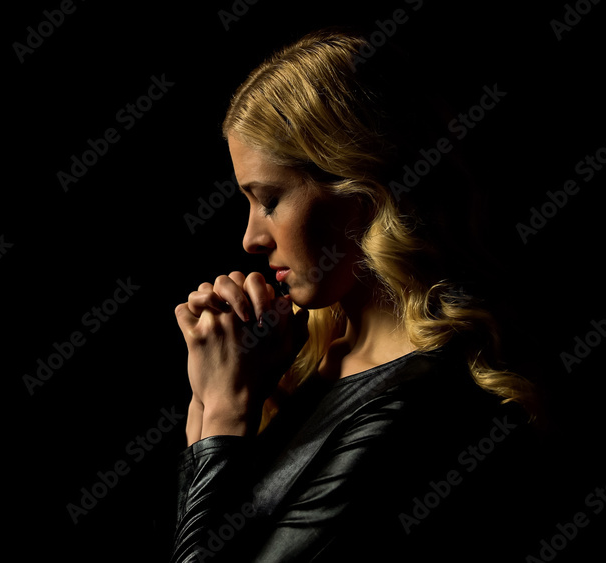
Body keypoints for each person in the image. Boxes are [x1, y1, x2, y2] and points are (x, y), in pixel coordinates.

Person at [171, 28, 541, 562]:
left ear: (360, 188)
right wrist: (210, 400)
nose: (251, 238)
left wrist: (222, 411)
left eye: (269, 200)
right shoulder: (312, 358)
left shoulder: (417, 409)